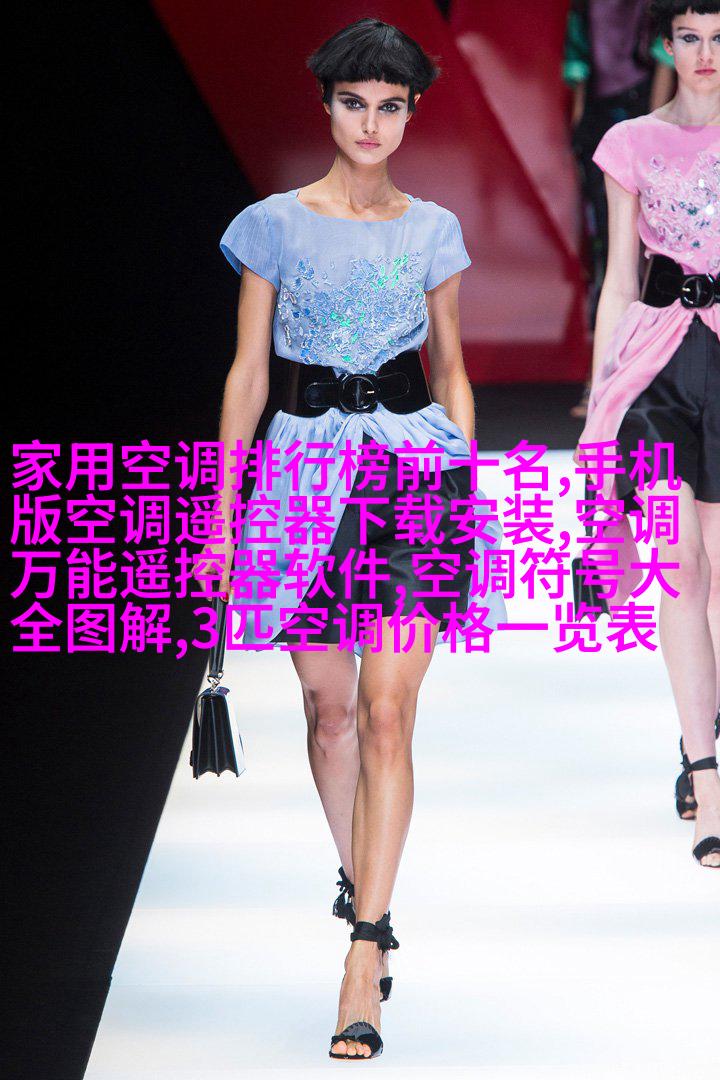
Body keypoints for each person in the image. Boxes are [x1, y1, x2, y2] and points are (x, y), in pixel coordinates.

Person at [194, 18, 506, 1060]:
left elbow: (451, 365)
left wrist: (467, 482)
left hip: (414, 474)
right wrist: (219, 516)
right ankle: (364, 883)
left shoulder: (435, 230)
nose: (371, 123)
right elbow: (247, 375)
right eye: (354, 103)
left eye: (390, 106)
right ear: (327, 105)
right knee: (328, 712)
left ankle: (362, 957)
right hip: (299, 474)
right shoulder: (272, 225)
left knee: (384, 713)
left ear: (411, 114)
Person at [574, 2, 720, 867]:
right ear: (668, 44)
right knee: (681, 568)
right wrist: (602, 400)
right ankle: (707, 778)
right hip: (658, 364)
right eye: (691, 38)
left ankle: (705, 736)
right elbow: (620, 277)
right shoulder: (629, 142)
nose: (706, 55)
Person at [563, 0, 676, 418]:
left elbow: (666, 61)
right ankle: (602, 379)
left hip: (650, 121)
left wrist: (653, 133)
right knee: (609, 253)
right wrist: (580, 133)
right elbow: (579, 70)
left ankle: (652, 376)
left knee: (660, 254)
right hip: (599, 128)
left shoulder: (655, 8)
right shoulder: (584, 8)